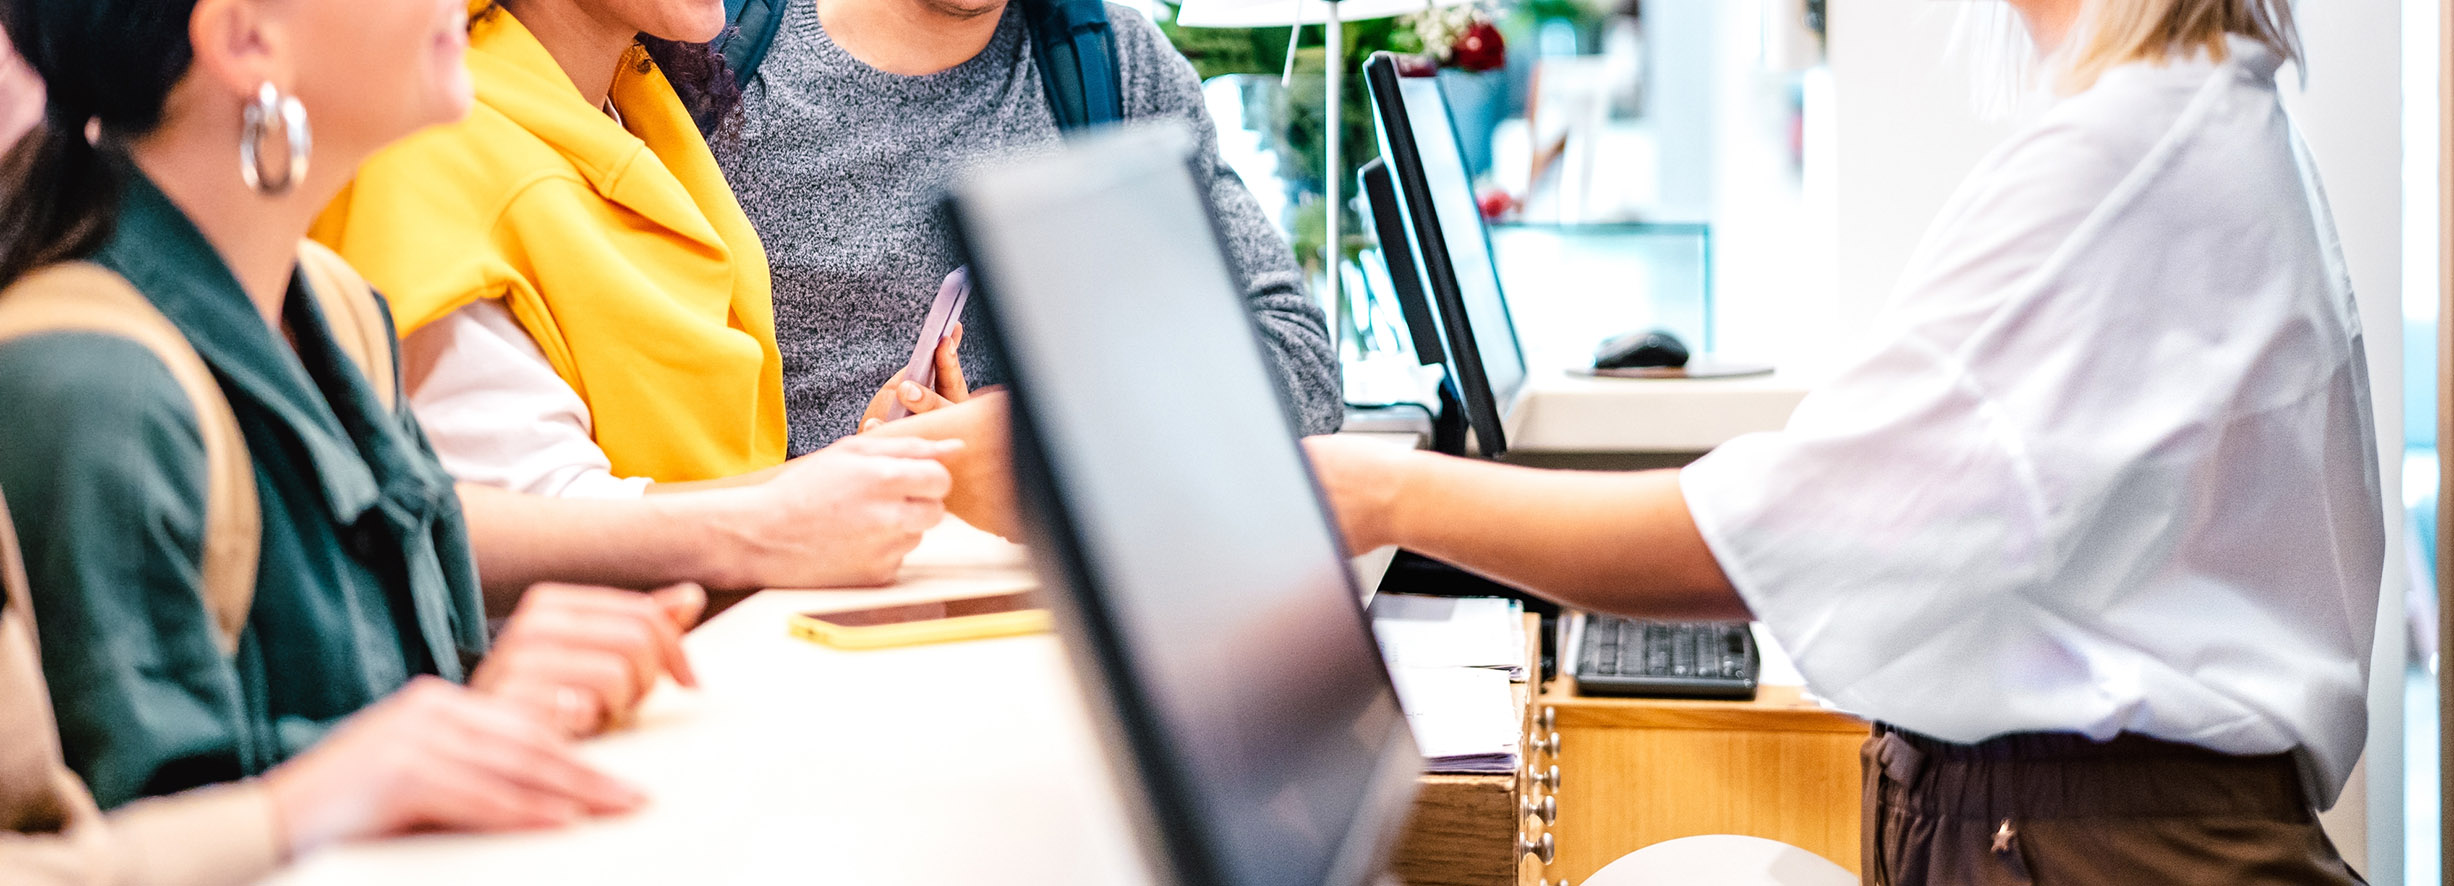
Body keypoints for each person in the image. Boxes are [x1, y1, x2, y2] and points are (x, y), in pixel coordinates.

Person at [1305, 0, 2377, 882]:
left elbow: (1752, 542)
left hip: (2097, 846)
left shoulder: (2123, 160)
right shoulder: (2193, 120)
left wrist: (1387, 493)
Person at [0, 0, 701, 849]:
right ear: (246, 40)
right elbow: (135, 831)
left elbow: (394, 714)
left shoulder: (337, 309)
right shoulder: (85, 386)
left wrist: (486, 696)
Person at [314, 0, 964, 598]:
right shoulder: (437, 147)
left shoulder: (632, 106)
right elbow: (514, 513)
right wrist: (914, 467)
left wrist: (877, 470)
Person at [712, 0, 1344, 451]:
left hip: (1040, 580)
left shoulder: (1113, 63)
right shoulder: (710, 49)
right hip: (769, 579)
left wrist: (1038, 434)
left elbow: (1303, 367)